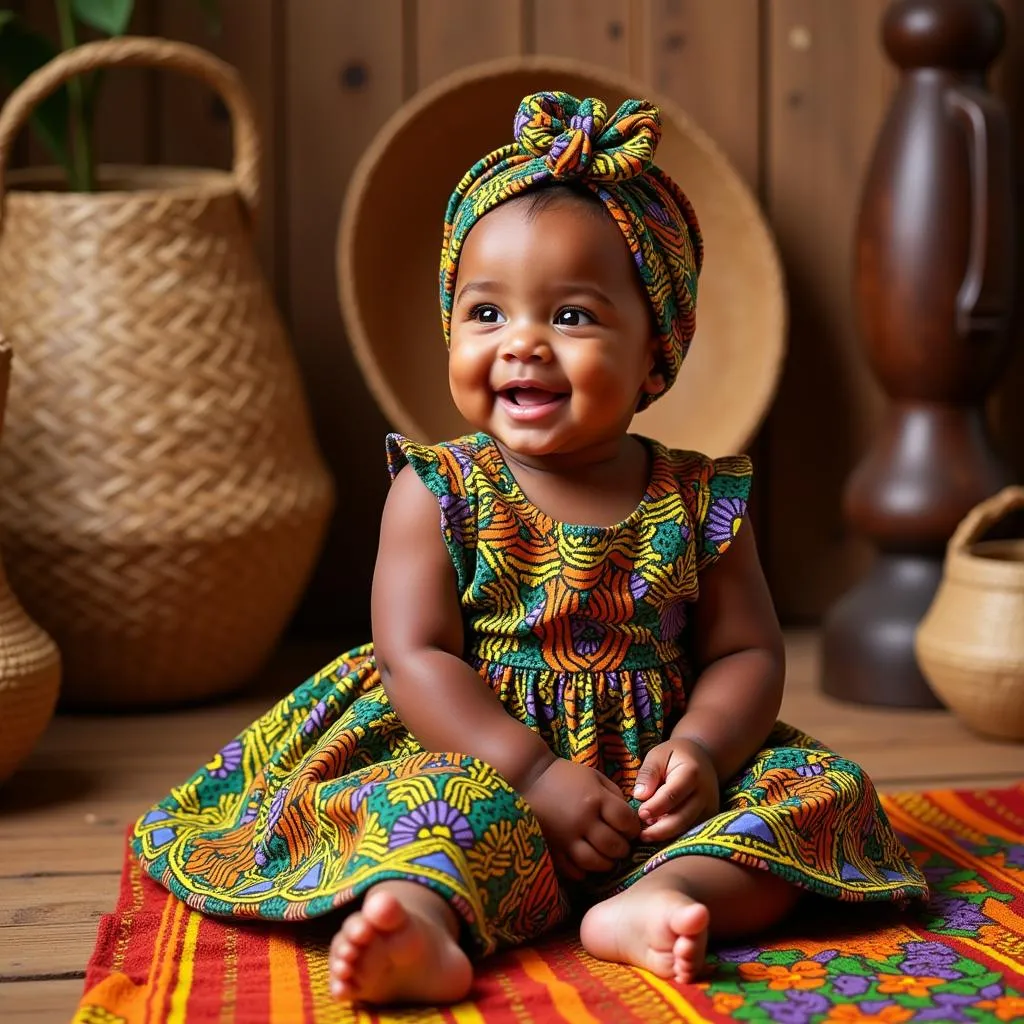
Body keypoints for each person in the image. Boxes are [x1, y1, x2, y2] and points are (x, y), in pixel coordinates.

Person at [133, 91, 927, 1006]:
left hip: (650, 778)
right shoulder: (437, 492)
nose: (522, 346)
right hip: (476, 756)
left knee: (817, 793)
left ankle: (660, 897)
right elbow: (412, 653)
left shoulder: (701, 499)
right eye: (485, 314)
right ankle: (421, 926)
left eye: (574, 318)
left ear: (655, 354)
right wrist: (532, 772)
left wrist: (704, 752)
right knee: (421, 818)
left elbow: (748, 650)